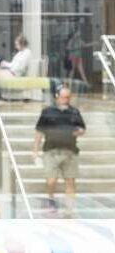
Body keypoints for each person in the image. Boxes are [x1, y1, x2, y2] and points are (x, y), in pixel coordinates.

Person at [32, 86, 86, 216]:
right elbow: (39, 131)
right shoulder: (47, 112)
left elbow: (82, 128)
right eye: (63, 97)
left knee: (70, 181)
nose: (65, 100)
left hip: (70, 151)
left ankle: (69, 210)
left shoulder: (74, 112)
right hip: (51, 150)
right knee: (51, 179)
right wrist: (35, 150)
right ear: (57, 96)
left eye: (67, 97)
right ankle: (50, 199)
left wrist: (79, 132)